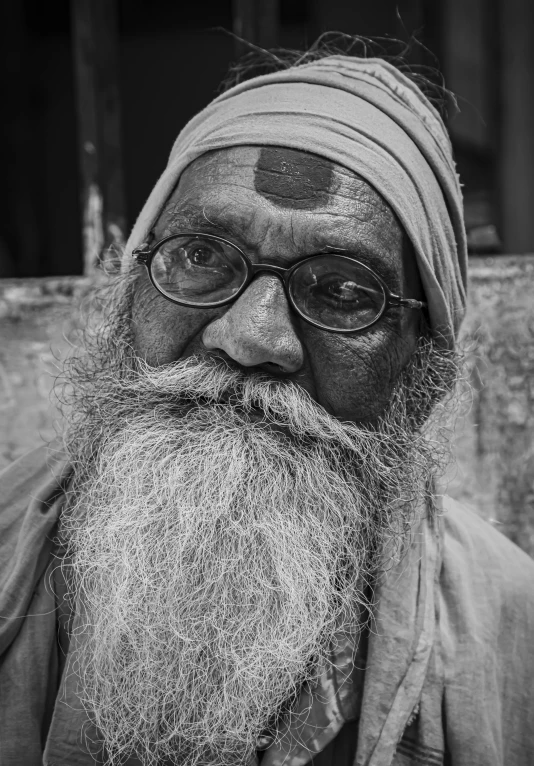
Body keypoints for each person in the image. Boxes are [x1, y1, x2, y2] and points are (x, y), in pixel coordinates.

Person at [1, 44, 533, 766]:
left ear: (423, 363)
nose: (252, 338)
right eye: (200, 257)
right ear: (128, 295)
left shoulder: (511, 631)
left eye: (343, 292)